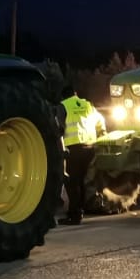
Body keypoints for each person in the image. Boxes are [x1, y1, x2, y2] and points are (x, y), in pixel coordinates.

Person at [59, 85, 105, 225]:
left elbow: (59, 127)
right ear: (75, 93)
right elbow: (100, 121)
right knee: (82, 182)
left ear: (63, 96)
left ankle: (74, 215)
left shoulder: (63, 106)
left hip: (73, 149)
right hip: (89, 147)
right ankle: (80, 211)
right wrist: (102, 134)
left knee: (72, 183)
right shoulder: (88, 105)